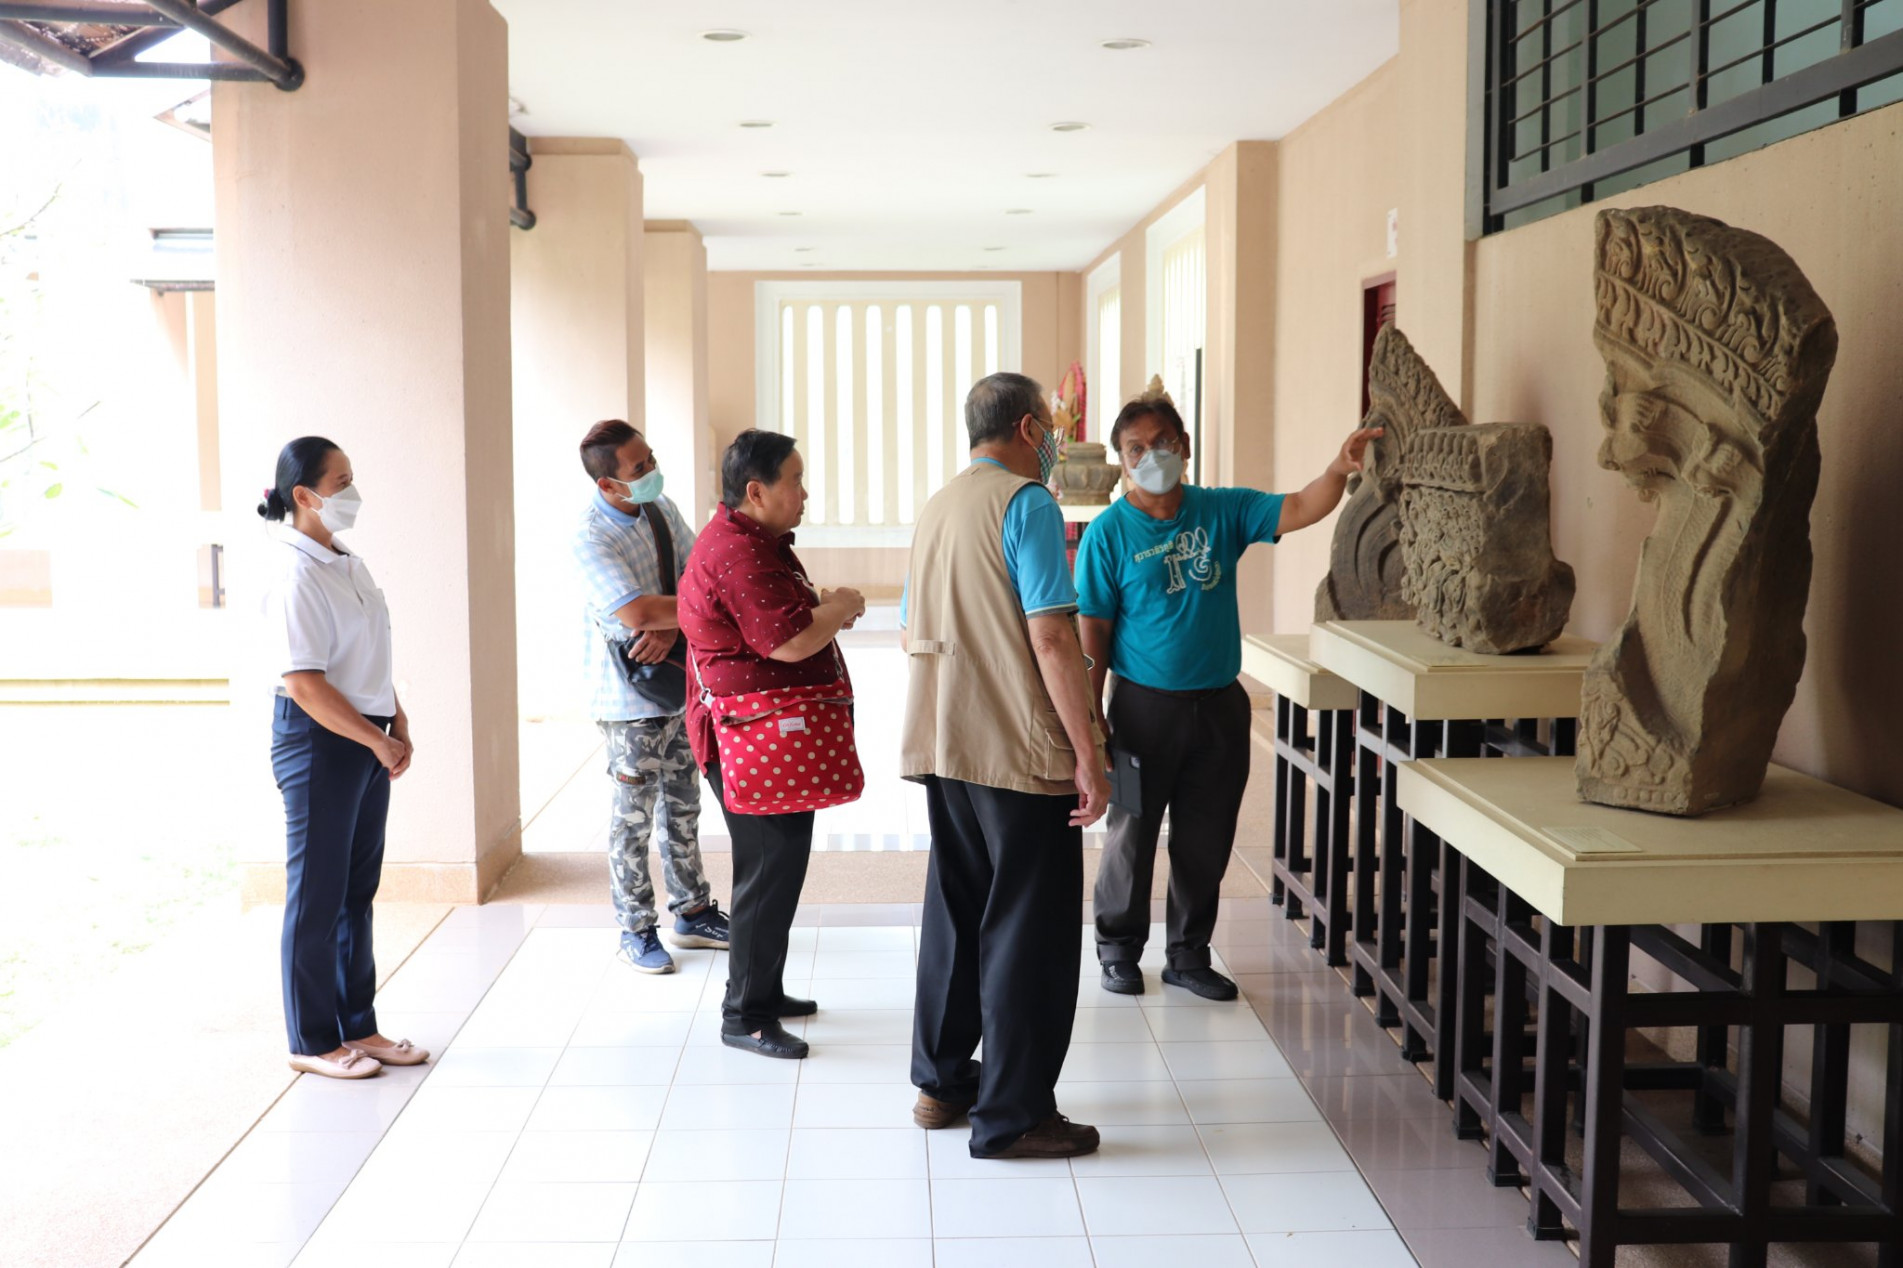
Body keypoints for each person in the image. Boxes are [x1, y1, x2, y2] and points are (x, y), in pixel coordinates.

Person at [1077, 395, 1381, 998]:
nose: (1151, 455)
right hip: (1142, 711)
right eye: (1136, 448)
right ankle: (1118, 950)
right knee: (1131, 836)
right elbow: (1094, 633)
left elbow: (1297, 507)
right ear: (1121, 461)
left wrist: (1338, 470)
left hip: (1218, 707)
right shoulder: (1108, 535)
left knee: (1206, 836)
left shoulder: (1221, 510)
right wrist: (1092, 721)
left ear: (1184, 447)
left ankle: (1188, 955)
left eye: (1162, 442)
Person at [902, 371, 1110, 1160]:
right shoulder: (1026, 505)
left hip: (945, 739)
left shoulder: (938, 507)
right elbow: (1053, 638)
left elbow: (908, 626)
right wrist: (1086, 754)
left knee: (956, 909)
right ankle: (1015, 1115)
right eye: (1049, 430)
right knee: (1030, 930)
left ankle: (943, 1082)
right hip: (1018, 751)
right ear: (1029, 429)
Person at [678, 430, 865, 1059]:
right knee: (765, 873)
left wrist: (825, 605)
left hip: (767, 739)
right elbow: (785, 643)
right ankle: (746, 1015)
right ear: (756, 492)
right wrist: (838, 607)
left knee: (780, 869)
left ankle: (766, 987)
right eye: (796, 480)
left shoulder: (754, 542)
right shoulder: (739, 553)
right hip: (748, 743)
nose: (805, 493)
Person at [260, 436, 425, 1079]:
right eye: (341, 480)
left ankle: (359, 1025)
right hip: (319, 741)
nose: (351, 492)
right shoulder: (295, 572)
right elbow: (305, 683)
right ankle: (311, 1038)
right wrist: (375, 736)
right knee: (317, 894)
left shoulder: (344, 560)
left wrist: (396, 718)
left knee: (357, 890)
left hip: (366, 730)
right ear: (304, 496)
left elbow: (371, 654)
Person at [572, 419, 729, 974]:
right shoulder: (591, 536)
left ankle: (692, 910)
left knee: (685, 804)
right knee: (632, 818)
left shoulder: (661, 512)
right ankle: (635, 929)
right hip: (627, 698)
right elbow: (633, 613)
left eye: (650, 460)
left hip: (678, 680)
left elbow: (698, 581)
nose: (651, 473)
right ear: (608, 485)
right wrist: (660, 618)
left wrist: (667, 626)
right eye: (638, 469)